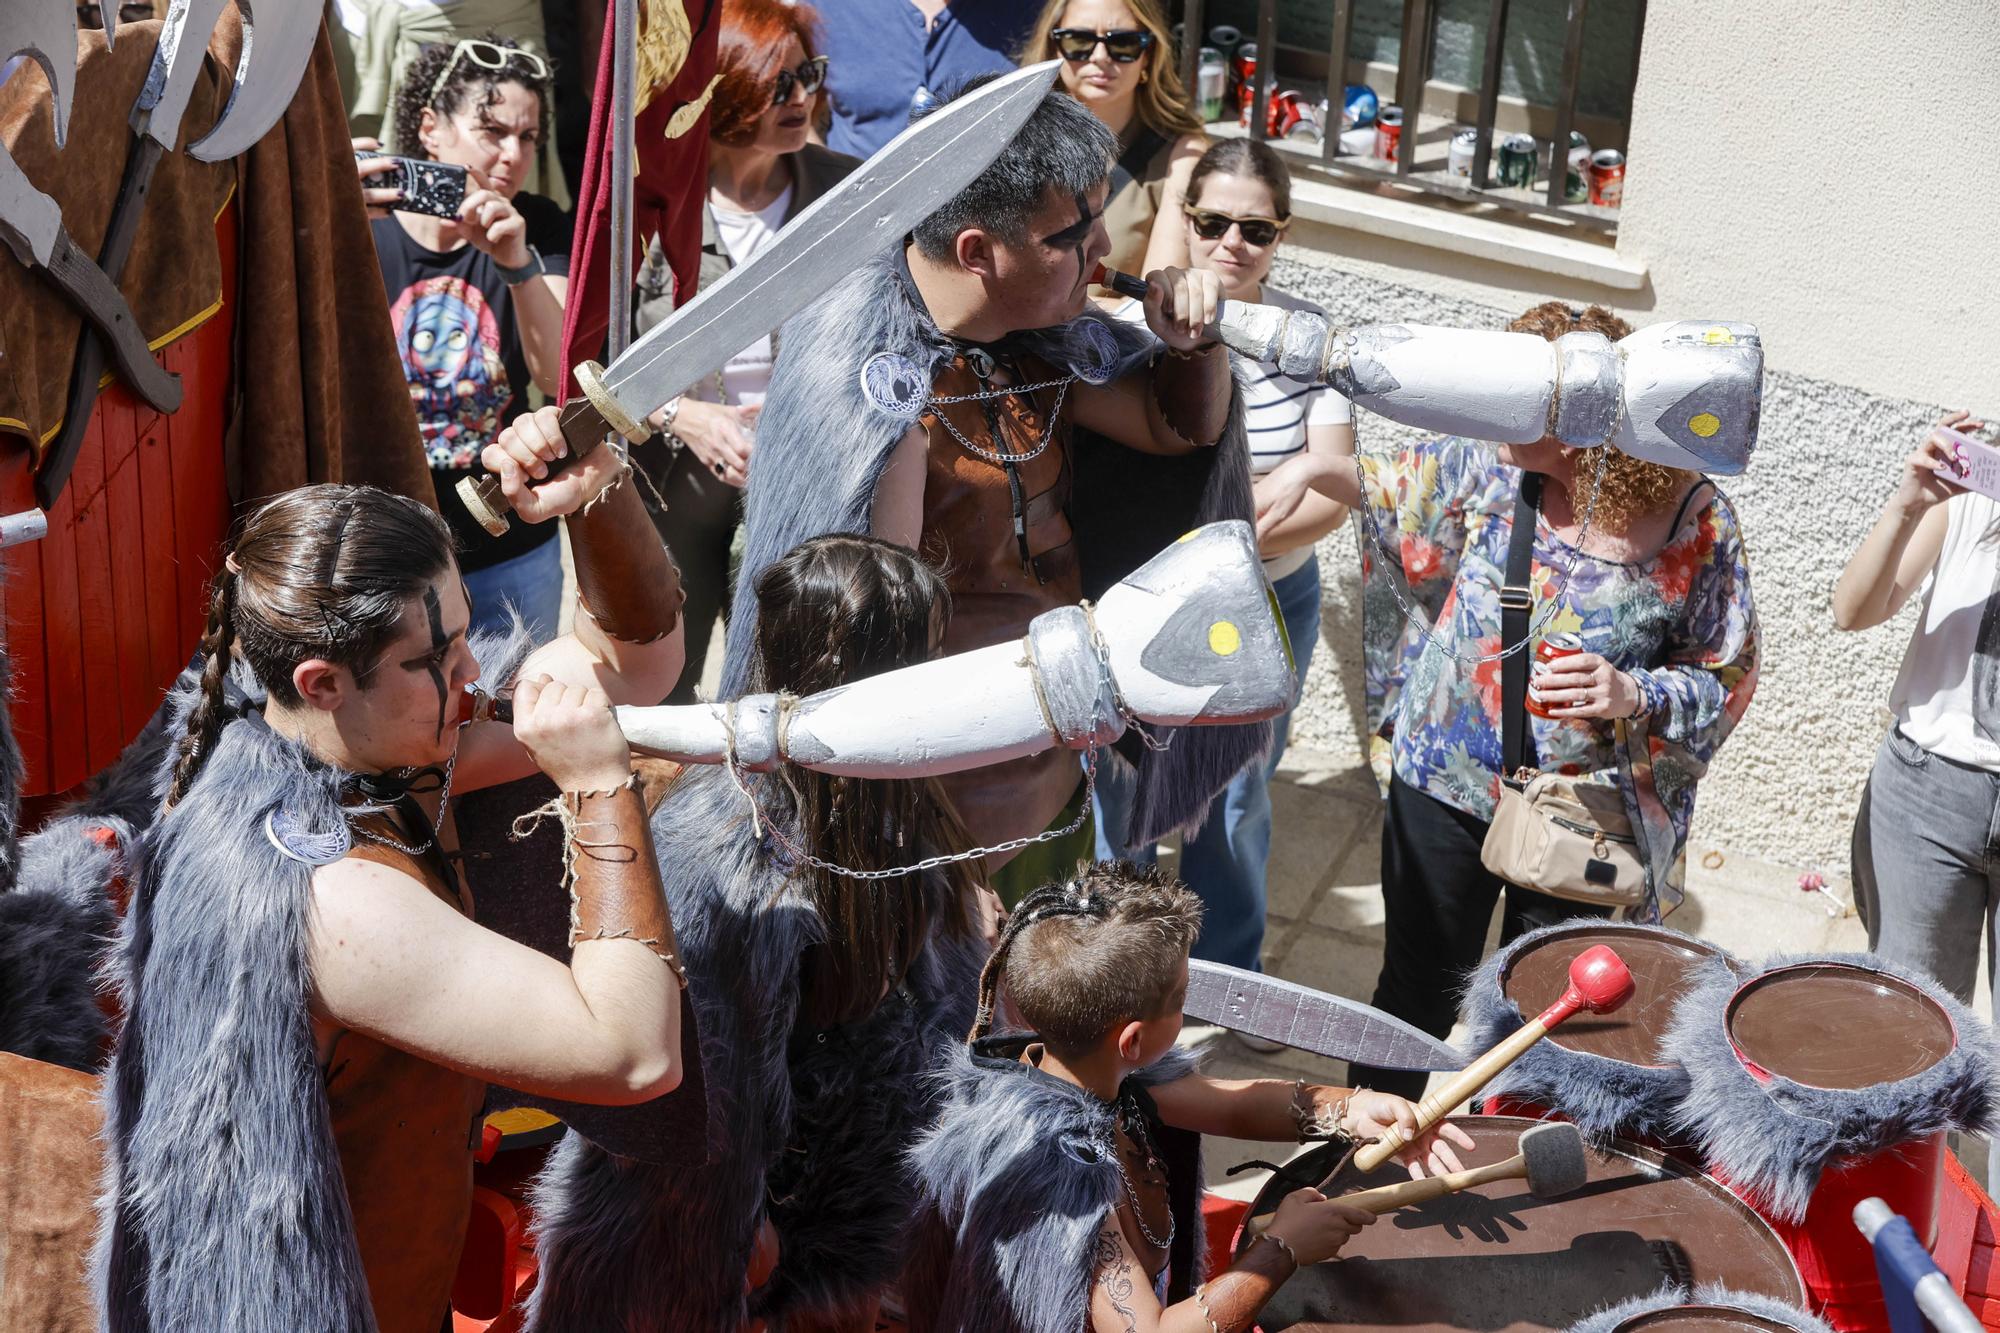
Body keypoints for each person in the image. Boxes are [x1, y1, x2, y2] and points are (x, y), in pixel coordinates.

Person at [92, 410, 689, 1332]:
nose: (471, 676)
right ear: (323, 681)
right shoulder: (330, 898)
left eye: (462, 635)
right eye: (434, 658)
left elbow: (636, 673)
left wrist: (594, 497)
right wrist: (600, 786)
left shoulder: (350, 747)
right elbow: (633, 1051)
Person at [728, 82, 1264, 908]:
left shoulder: (1038, 339)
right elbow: (870, 651)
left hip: (1052, 768)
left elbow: (1174, 430)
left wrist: (1193, 346)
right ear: (977, 250)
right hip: (926, 813)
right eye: (1069, 234)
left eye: (1098, 218)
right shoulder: (865, 391)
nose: (1100, 250)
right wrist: (930, 860)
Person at [522, 534, 994, 1331]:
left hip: (854, 1171)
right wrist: (739, 1219)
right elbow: (705, 1067)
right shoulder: (722, 840)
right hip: (739, 1204)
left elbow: (929, 989)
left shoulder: (899, 791)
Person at [1310, 302, 1762, 1100]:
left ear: (1587, 421)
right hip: (1441, 783)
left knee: (1545, 1016)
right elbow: (1369, 486)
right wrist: (1303, 429)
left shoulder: (1698, 524)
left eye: (1518, 400)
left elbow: (1728, 676)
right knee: (1414, 994)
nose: (1496, 414)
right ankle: (1366, 1158)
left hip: (1577, 815)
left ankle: (1505, 1171)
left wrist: (1634, 690)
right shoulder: (1488, 465)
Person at [904, 861, 1474, 1333]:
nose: (1189, 1003)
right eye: (1180, 997)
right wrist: (1281, 1249)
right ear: (1132, 1039)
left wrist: (1350, 1107)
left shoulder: (1091, 1070)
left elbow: (1231, 1103)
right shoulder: (1060, 1176)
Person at [1094, 137, 1352, 988]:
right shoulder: (1132, 328)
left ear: (1284, 235)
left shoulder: (1310, 334)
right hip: (1145, 605)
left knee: (1237, 798)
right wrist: (1254, 507)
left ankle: (1226, 981)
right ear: (1186, 221)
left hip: (1272, 602)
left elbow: (1336, 487)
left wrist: (1229, 529)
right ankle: (1111, 969)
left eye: (1257, 228)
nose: (1232, 243)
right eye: (1211, 222)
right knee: (1122, 784)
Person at [634, 0, 860, 701]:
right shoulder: (655, 201)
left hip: (807, 477)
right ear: (722, 93)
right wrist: (684, 415)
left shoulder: (849, 190)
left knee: (790, 686)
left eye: (809, 76)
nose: (802, 99)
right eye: (777, 85)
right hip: (675, 480)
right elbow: (598, 358)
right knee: (664, 676)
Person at [359, 34, 572, 642]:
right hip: (386, 548)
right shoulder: (358, 225)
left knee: (510, 720)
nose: (513, 155)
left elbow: (558, 375)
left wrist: (517, 263)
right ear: (430, 129)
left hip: (508, 536)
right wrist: (320, 208)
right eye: (493, 132)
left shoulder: (538, 224)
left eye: (528, 137)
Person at [1834, 409, 2000, 1188]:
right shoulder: (1975, 490)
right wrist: (1911, 499)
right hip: (1928, 793)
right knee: (1911, 1036)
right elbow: (1853, 609)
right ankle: (1898, 1244)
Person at [1017, 0, 1206, 294]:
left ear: (1148, 55)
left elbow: (1154, 305)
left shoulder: (1182, 155)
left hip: (1107, 338)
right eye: (1079, 40)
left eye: (1124, 44)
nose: (1101, 57)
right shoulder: (1015, 136)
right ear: (1054, 46)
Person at [817, 0, 1035, 158]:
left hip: (994, 210)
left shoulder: (1035, 9)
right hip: (856, 210)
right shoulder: (828, 7)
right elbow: (800, 103)